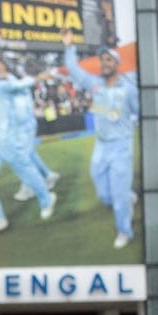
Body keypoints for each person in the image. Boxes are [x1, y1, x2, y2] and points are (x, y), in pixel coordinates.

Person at [61, 29, 139, 249]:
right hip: (101, 145)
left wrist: (131, 123)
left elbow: (141, 111)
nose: (103, 63)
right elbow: (74, 69)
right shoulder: (95, 84)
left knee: (118, 193)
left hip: (121, 146)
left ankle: (124, 231)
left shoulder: (129, 88)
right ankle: (127, 197)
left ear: (116, 63)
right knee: (104, 193)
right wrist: (69, 47)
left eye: (107, 60)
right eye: (101, 60)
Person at [0, 62, 56, 239]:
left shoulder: (3, 86)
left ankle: (47, 199)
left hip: (8, 141)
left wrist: (40, 77)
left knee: (27, 172)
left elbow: (23, 83)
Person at [0, 59, 60, 202]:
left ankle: (29, 187)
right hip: (20, 125)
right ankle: (48, 175)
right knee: (29, 154)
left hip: (25, 125)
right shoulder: (8, 83)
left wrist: (39, 78)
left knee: (22, 157)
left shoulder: (13, 81)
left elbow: (18, 86)